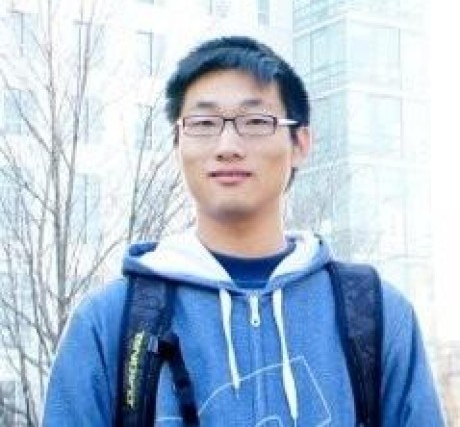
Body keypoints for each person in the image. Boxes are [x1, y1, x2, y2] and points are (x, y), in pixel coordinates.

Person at [42, 36, 444, 426]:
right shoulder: (110, 321)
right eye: (203, 123)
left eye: (255, 121)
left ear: (300, 143)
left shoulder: (375, 315)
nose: (227, 145)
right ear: (177, 144)